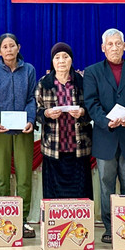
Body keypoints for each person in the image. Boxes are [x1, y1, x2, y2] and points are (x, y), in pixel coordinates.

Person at [84, 29, 125, 245]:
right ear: (103, 48)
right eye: (110, 44)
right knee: (106, 185)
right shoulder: (93, 72)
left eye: (118, 44)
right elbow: (91, 103)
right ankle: (110, 228)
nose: (114, 48)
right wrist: (105, 121)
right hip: (105, 136)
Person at [0, 33, 37, 238]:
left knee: (24, 176)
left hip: (23, 129)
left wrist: (30, 119)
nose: (8, 50)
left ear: (18, 47)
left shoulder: (29, 70)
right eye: (4, 47)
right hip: (1, 130)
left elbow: (32, 98)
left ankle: (22, 219)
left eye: (12, 45)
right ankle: (3, 216)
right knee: (2, 176)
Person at [35, 42, 93, 201]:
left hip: (79, 147)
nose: (61, 61)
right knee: (54, 197)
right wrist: (46, 113)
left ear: (71, 60)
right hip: (53, 147)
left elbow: (93, 108)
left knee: (80, 194)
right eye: (57, 57)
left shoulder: (82, 82)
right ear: (52, 61)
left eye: (65, 57)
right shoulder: (44, 83)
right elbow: (36, 111)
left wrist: (82, 112)